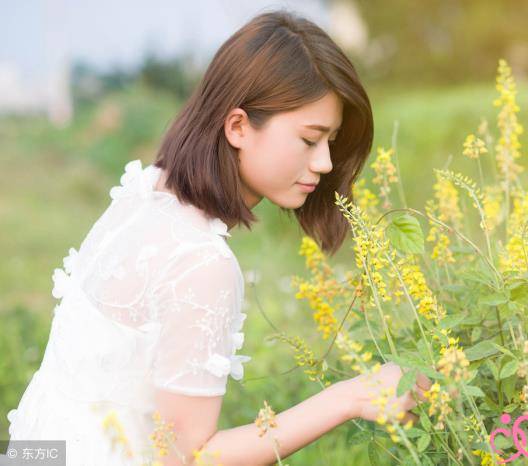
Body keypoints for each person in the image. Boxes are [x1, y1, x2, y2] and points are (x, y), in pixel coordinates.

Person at [6, 9, 432, 465]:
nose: (326, 162)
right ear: (238, 127)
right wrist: (351, 397)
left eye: (331, 141)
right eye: (310, 140)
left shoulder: (147, 190)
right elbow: (190, 459)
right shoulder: (201, 262)